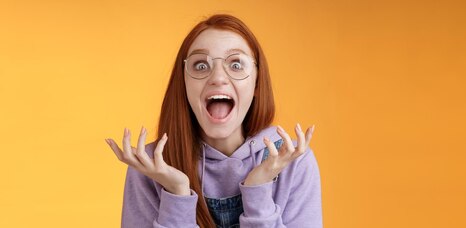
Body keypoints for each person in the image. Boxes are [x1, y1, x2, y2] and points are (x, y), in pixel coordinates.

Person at [105, 14, 322, 228]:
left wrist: (258, 192)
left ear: (257, 83)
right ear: (184, 83)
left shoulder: (293, 162)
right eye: (200, 65)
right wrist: (177, 194)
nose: (218, 78)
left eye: (236, 65)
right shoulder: (150, 166)